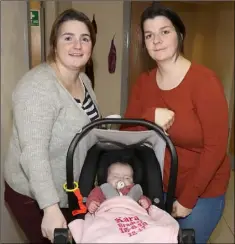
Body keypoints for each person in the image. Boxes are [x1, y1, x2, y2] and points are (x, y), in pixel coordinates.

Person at [121, 4, 230, 244]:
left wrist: (188, 198)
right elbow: (126, 133)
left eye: (164, 32)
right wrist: (150, 116)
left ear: (179, 35)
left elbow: (216, 148)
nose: (156, 40)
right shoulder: (143, 83)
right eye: (149, 35)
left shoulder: (204, 82)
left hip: (202, 190)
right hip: (157, 187)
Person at [4, 9, 100, 243]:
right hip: (36, 197)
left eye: (84, 38)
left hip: (70, 189)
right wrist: (50, 208)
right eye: (68, 37)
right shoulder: (37, 88)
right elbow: (33, 154)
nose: (77, 45)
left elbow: (88, 129)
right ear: (54, 45)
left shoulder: (83, 79)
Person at [86, 162, 151, 213]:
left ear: (132, 181)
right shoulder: (101, 190)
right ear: (107, 178)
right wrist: (92, 203)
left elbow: (143, 198)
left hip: (131, 214)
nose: (121, 179)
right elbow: (93, 197)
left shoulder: (134, 191)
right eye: (115, 176)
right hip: (109, 214)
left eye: (127, 178)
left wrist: (146, 203)